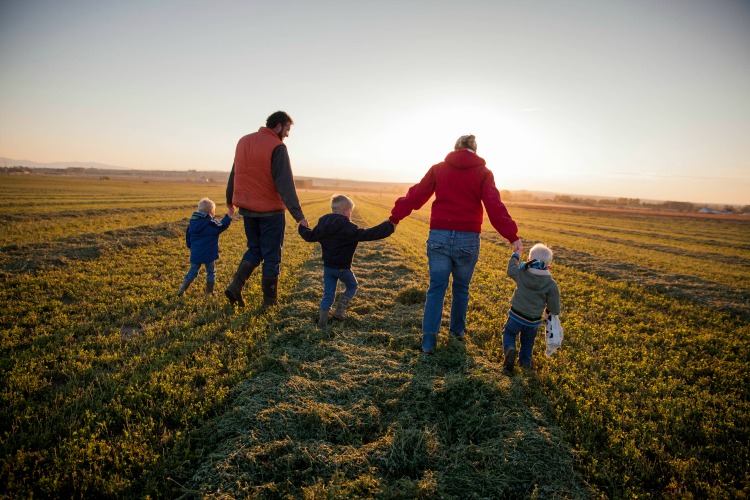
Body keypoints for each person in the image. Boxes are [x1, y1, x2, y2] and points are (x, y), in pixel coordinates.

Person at [389, 134, 523, 355]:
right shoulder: (483, 173)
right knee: (461, 288)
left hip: (439, 236)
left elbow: (416, 195)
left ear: (455, 148)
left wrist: (395, 217)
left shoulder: (438, 169)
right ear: (475, 150)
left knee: (436, 289)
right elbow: (494, 205)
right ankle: (457, 336)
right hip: (468, 239)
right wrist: (512, 236)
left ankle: (428, 344)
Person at [224, 111, 309, 308]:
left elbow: (235, 173)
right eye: (287, 129)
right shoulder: (278, 147)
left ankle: (236, 287)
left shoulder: (243, 141)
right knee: (272, 256)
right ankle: (270, 302)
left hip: (247, 209)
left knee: (254, 249)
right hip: (270, 211)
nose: (287, 134)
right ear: (278, 126)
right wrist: (299, 215)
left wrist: (230, 201)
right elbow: (285, 183)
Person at [299, 194, 395, 327]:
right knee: (352, 286)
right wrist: (388, 227)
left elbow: (309, 236)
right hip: (343, 268)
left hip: (328, 268)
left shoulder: (323, 225)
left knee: (328, 294)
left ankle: (322, 321)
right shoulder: (348, 228)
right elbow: (368, 234)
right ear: (345, 211)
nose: (351, 214)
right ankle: (339, 311)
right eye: (350, 211)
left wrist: (302, 226)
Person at [502, 243, 561, 372]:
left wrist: (516, 255)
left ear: (529, 260)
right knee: (528, 343)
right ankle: (525, 364)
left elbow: (511, 270)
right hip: (533, 321)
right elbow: (555, 308)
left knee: (509, 333)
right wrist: (551, 311)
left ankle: (509, 349)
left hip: (515, 315)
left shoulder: (522, 272)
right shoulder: (551, 284)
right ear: (549, 267)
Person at [178, 198, 234, 296]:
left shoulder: (192, 223)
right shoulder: (210, 222)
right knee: (211, 272)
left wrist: (192, 248)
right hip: (209, 253)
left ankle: (182, 290)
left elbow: (188, 238)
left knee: (192, 272)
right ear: (210, 212)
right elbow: (221, 226)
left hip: (196, 253)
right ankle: (209, 292)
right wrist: (229, 215)